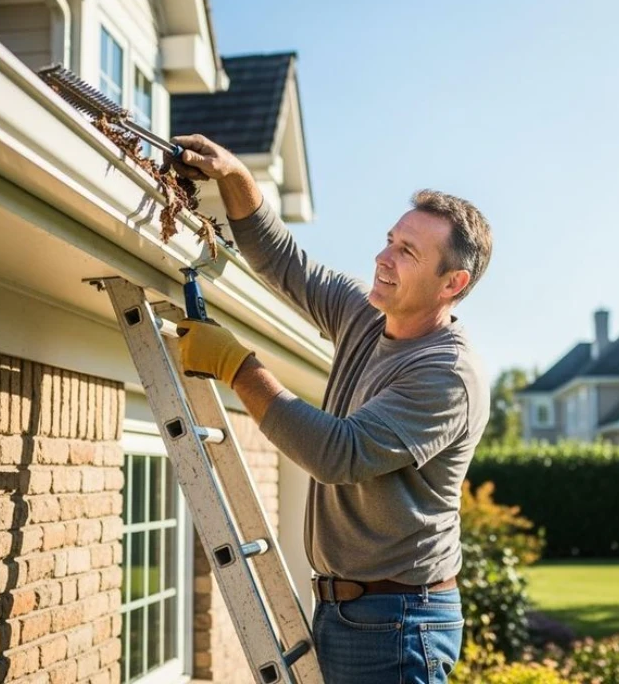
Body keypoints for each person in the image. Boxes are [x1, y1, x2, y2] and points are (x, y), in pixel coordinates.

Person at [171, 133, 492, 684]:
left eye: (407, 252)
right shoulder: (367, 316)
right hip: (352, 611)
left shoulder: (446, 374)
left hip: (399, 622)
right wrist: (234, 178)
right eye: (390, 240)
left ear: (452, 283)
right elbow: (285, 262)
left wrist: (237, 367)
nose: (382, 257)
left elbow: (338, 453)